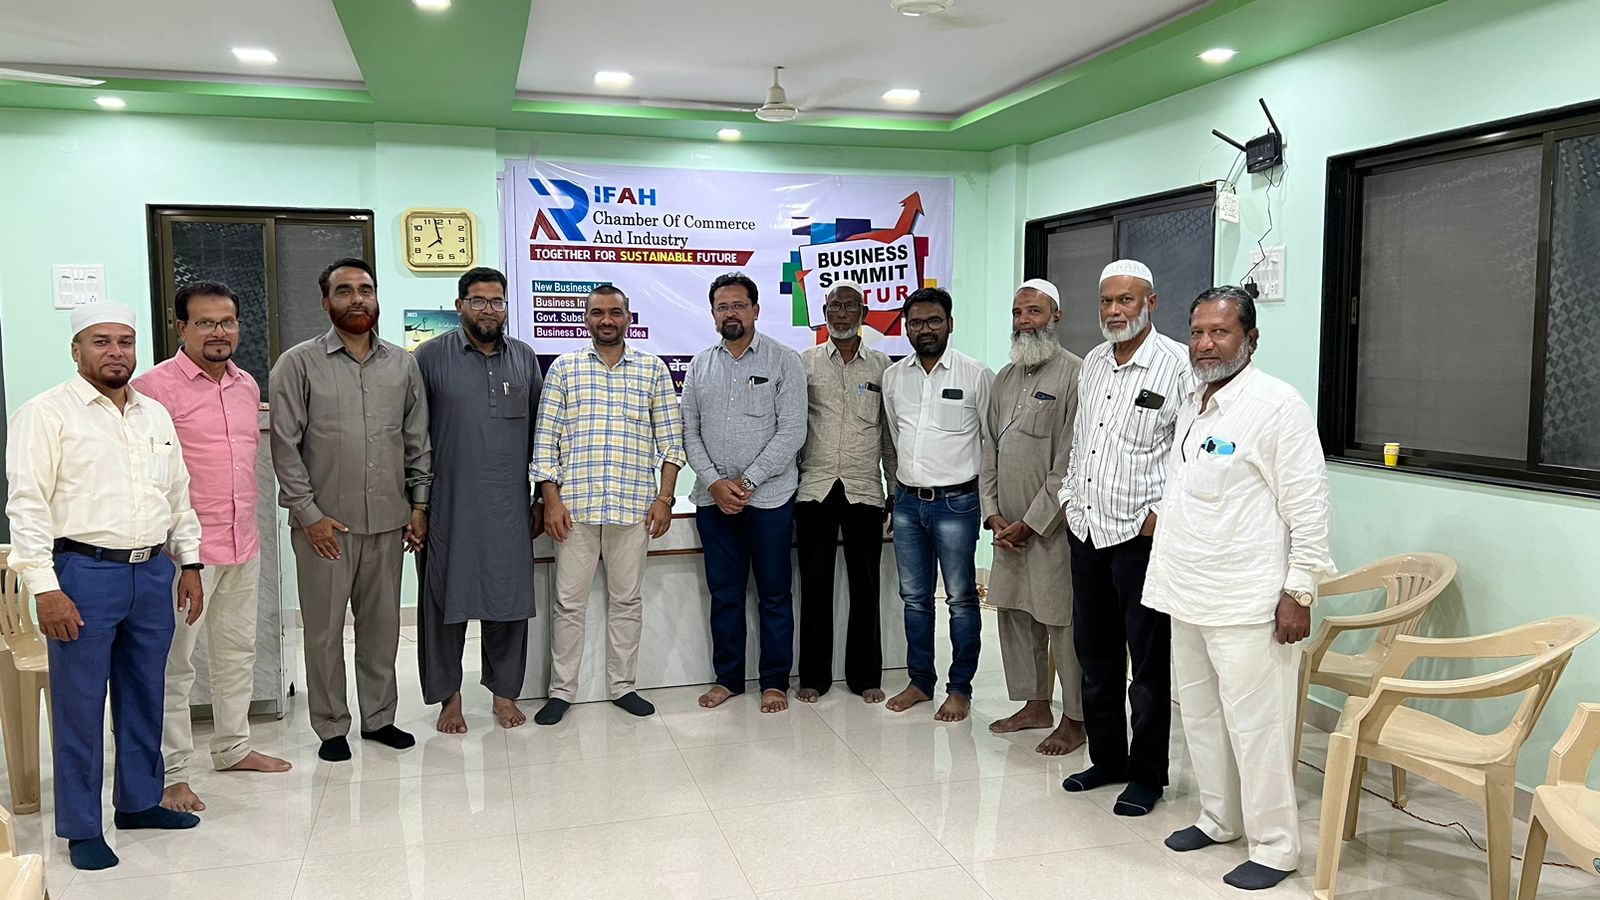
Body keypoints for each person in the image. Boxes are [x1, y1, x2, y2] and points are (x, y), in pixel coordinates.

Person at [5, 302, 205, 871]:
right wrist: (44, 588)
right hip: (82, 575)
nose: (115, 352)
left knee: (145, 695)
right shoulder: (44, 414)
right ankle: (81, 828)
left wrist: (190, 564)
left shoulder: (153, 415)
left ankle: (139, 803)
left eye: (125, 341)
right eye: (101, 342)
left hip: (152, 571)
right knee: (80, 705)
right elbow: (27, 506)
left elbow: (178, 495)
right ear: (76, 350)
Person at [1154, 287, 1333, 891]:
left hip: (1248, 600)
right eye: (1197, 332)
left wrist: (1299, 591)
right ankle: (1219, 817)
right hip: (1188, 591)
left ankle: (1277, 847)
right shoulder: (1193, 399)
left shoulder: (1276, 406)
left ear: (1250, 339)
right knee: (1202, 717)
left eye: (1220, 332)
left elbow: (1308, 507)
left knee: (1259, 729)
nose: (1205, 344)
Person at [132, 282, 292, 815]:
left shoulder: (246, 385)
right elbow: (146, 477)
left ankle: (233, 747)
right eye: (205, 323)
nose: (218, 332)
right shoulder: (152, 389)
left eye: (227, 322)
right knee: (175, 665)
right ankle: (172, 772)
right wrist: (175, 550)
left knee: (237, 653)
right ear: (182, 328)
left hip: (243, 541)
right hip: (184, 556)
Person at [270, 257, 432, 762]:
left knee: (382, 630)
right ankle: (331, 726)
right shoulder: (297, 364)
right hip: (325, 528)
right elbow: (284, 447)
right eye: (344, 290)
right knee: (323, 633)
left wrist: (419, 505)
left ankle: (379, 718)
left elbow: (417, 440)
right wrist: (309, 515)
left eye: (365, 289)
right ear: (326, 302)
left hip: (388, 521)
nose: (357, 298)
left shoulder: (402, 364)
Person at [1057, 259, 1192, 816]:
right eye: (1107, 301)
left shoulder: (1177, 366)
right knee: (1095, 658)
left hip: (1140, 537)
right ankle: (1107, 758)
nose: (1115, 311)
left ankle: (1146, 775)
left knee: (1148, 665)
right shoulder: (1092, 362)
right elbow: (1081, 439)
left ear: (1150, 303)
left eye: (1126, 300)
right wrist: (1069, 497)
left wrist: (1159, 515)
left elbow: (1188, 453)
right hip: (1087, 529)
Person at [532, 284, 685, 725]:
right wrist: (551, 501)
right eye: (598, 312)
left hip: (633, 508)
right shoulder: (565, 369)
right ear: (586, 318)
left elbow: (671, 443)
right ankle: (561, 692)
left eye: (615, 312)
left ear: (628, 317)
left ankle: (623, 687)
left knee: (627, 601)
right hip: (574, 511)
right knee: (568, 605)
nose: (606, 320)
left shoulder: (652, 370)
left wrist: (664, 498)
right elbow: (544, 443)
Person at [413, 267, 541, 733]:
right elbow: (412, 435)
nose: (490, 310)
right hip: (447, 506)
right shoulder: (429, 357)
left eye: (497, 301)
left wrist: (541, 499)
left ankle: (504, 693)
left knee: (508, 601)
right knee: (442, 602)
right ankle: (449, 698)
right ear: (460, 306)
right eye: (479, 301)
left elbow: (542, 435)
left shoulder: (524, 358)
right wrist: (417, 505)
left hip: (509, 505)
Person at [681, 272, 806, 714]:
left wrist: (748, 481)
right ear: (713, 314)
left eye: (738, 305)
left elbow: (792, 431)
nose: (730, 313)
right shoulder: (700, 365)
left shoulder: (784, 360)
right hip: (713, 501)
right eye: (722, 307)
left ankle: (774, 682)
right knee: (726, 594)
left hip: (770, 499)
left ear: (755, 310)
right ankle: (728, 679)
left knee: (774, 594)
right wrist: (715, 483)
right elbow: (689, 431)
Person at [980, 279, 1086, 754]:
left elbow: (1070, 461)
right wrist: (992, 514)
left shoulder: (1076, 375)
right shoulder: (1004, 378)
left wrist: (1034, 520)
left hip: (1051, 529)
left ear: (1056, 317)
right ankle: (1034, 704)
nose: (1024, 321)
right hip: (1007, 528)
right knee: (1016, 615)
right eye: (1018, 313)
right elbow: (988, 448)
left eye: (1034, 312)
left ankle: (1075, 718)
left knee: (1059, 621)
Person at [881, 286, 993, 723]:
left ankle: (960, 689)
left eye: (933, 321)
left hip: (957, 504)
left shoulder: (976, 374)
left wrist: (989, 503)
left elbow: (990, 441)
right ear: (905, 328)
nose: (924, 329)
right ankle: (920, 681)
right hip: (908, 504)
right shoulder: (894, 377)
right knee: (915, 599)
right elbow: (896, 437)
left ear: (950, 324)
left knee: (962, 600)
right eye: (916, 323)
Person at [794, 280, 896, 705]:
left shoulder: (883, 367)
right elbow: (793, 428)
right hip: (814, 488)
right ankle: (813, 678)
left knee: (865, 587)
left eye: (850, 306)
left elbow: (889, 434)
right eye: (834, 306)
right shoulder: (804, 363)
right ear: (824, 312)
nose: (841, 313)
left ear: (863, 314)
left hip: (864, 489)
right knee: (815, 587)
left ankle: (864, 676)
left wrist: (893, 486)